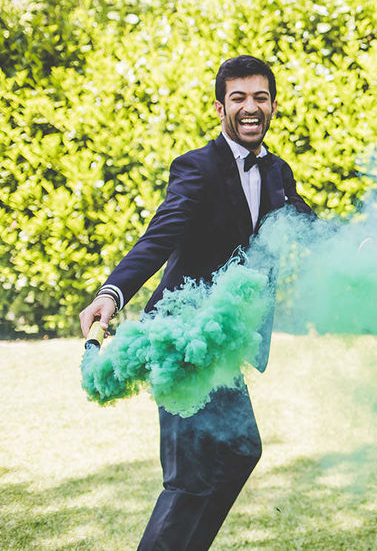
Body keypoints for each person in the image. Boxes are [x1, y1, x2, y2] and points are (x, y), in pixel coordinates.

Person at [78, 55, 314, 550]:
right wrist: (112, 292)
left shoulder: (277, 172)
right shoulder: (197, 167)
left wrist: (368, 248)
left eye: (260, 97)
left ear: (273, 104)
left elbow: (309, 229)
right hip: (181, 340)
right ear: (220, 106)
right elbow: (159, 237)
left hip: (224, 343)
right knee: (190, 476)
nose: (251, 107)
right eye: (239, 97)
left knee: (241, 450)